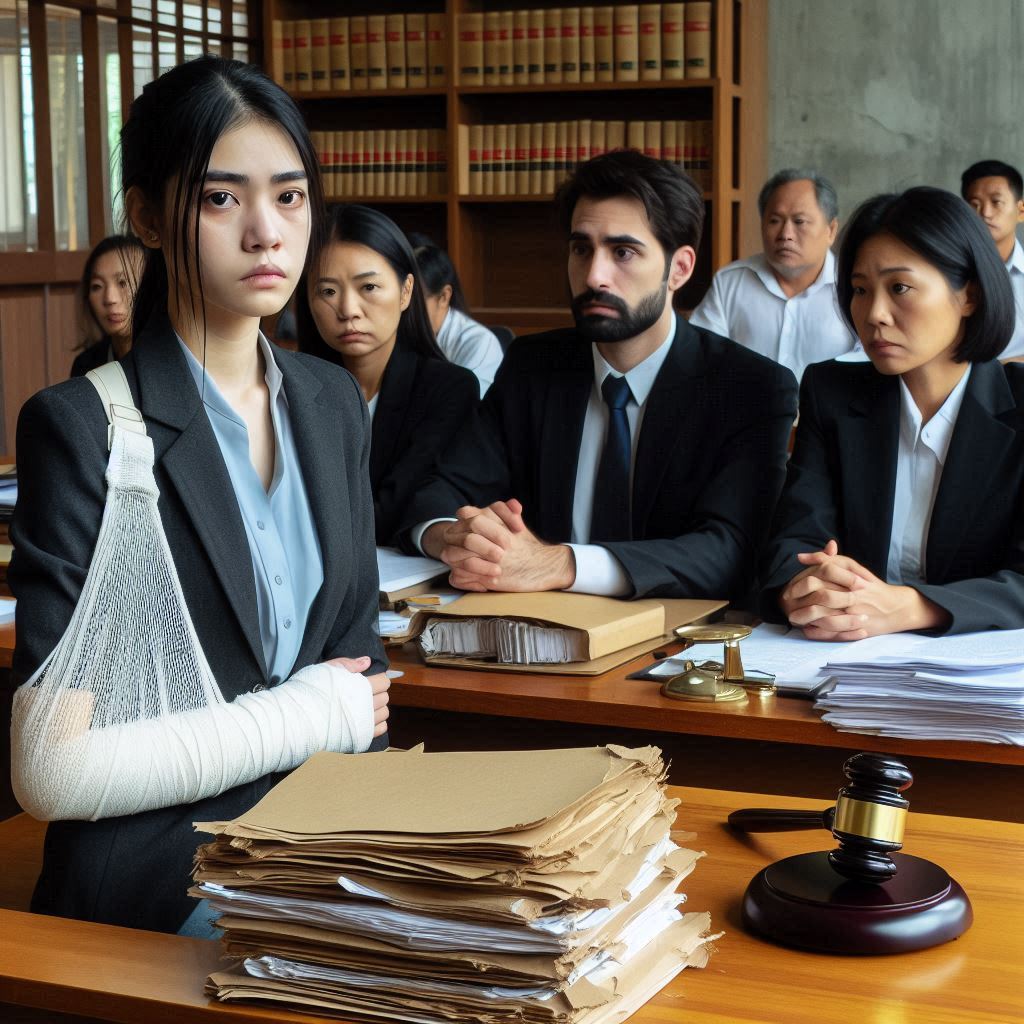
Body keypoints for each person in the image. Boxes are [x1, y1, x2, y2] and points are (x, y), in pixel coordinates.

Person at [8, 56, 389, 934]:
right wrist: (305, 715)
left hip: (323, 837)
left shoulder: (331, 402)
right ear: (146, 215)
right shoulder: (83, 425)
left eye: (289, 197)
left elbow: (359, 677)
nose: (267, 233)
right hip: (159, 862)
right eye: (222, 199)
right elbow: (52, 769)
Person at [400, 150, 798, 601]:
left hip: (681, 644)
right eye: (580, 248)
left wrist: (561, 563)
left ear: (679, 268)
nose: (594, 275)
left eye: (623, 252)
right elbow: (440, 489)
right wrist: (454, 538)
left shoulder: (749, 387)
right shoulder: (533, 365)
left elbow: (730, 551)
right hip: (533, 634)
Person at [759, 186, 1024, 639]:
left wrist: (912, 606)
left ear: (969, 296)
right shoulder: (831, 393)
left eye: (899, 287)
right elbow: (796, 541)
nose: (873, 314)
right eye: (860, 290)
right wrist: (803, 589)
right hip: (840, 664)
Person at [295, 206, 478, 547]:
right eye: (328, 292)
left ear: (406, 291)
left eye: (368, 287)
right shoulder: (288, 388)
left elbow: (399, 509)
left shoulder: (447, 389)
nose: (348, 310)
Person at [689, 168, 861, 381]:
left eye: (799, 222)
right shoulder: (730, 282)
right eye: (774, 221)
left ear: (831, 230)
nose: (785, 235)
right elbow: (700, 358)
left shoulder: (854, 288)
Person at [406, 233, 505, 396]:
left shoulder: (478, 342)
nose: (405, 306)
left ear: (444, 297)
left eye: (415, 299)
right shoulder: (399, 335)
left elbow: (461, 407)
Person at [961, 159, 1024, 360]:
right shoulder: (952, 275)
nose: (985, 214)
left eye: (996, 202)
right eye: (974, 205)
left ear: (1021, 211)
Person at [70, 235, 145, 377]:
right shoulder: (86, 366)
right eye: (97, 286)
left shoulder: (175, 358)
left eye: (123, 282)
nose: (110, 299)